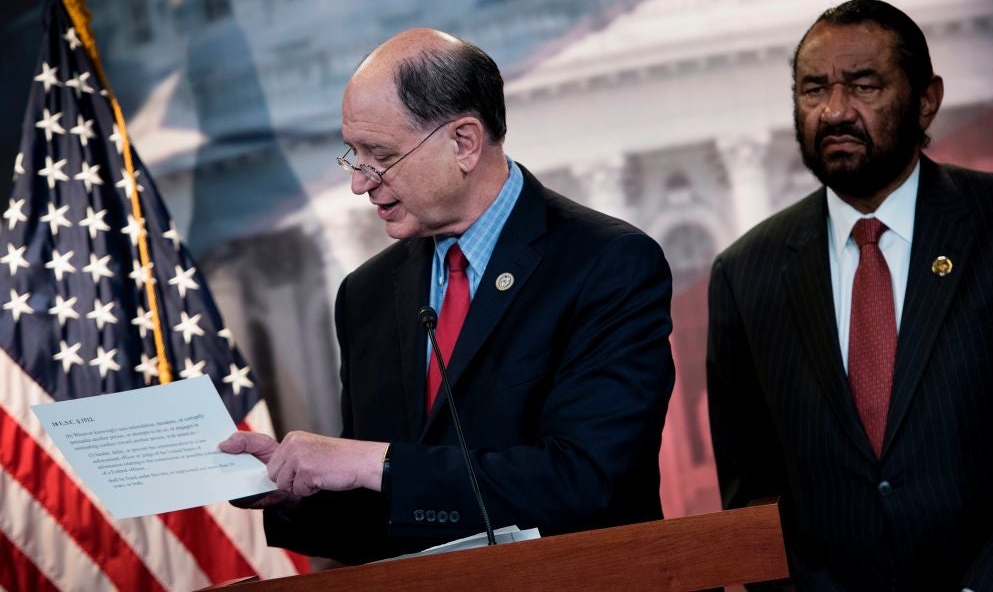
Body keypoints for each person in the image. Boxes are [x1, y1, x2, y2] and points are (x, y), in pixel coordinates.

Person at [220, 28, 675, 563]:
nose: (359, 184)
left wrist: (375, 464)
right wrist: (300, 492)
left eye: (380, 156)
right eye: (353, 154)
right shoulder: (365, 294)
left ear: (463, 142)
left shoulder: (606, 263)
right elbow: (392, 515)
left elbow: (587, 483)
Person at [707, 0, 993, 589]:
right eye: (812, 90)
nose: (834, 111)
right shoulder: (745, 274)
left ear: (926, 99)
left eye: (863, 86)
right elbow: (752, 495)